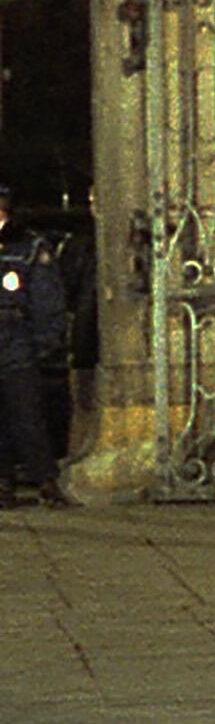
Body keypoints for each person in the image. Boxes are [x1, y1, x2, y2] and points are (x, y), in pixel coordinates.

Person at [0, 186, 67, 508]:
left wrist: (45, 342)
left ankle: (45, 481)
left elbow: (46, 298)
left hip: (16, 338)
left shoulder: (29, 247)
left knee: (26, 412)